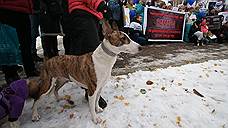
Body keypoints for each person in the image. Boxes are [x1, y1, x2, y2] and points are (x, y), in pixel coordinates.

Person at [66, 0, 110, 108]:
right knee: (91, 55)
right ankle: (90, 90)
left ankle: (86, 85)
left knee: (85, 54)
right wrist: (99, 3)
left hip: (88, 13)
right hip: (83, 13)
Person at [0, 0, 39, 85]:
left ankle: (30, 69)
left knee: (26, 42)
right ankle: (11, 74)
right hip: (6, 9)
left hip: (23, 9)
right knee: (9, 44)